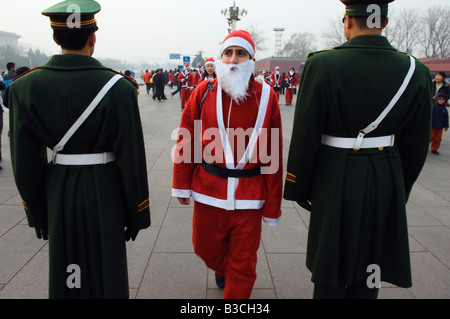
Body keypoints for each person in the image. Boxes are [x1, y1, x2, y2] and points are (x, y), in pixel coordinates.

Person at [283, 0, 432, 299]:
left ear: (347, 21)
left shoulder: (321, 64)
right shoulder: (415, 70)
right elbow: (417, 145)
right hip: (386, 173)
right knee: (371, 262)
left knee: (330, 263)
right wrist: (398, 188)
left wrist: (298, 187)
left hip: (334, 173)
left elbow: (305, 136)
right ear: (385, 22)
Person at [9, 0, 150, 299]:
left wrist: (35, 210)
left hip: (59, 186)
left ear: (55, 37)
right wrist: (138, 211)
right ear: (92, 38)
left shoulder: (24, 87)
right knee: (107, 268)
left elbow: (25, 161)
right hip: (105, 187)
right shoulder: (119, 87)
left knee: (67, 268)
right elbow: (132, 158)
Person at [172, 30, 283, 299]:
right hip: (209, 190)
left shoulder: (267, 96)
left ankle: (236, 281)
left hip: (249, 197)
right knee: (203, 248)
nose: (233, 60)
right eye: (228, 53)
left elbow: (274, 154)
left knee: (244, 264)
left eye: (241, 53)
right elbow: (187, 136)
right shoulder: (203, 90)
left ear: (251, 60)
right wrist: (181, 184)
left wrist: (272, 204)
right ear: (221, 58)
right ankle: (225, 268)